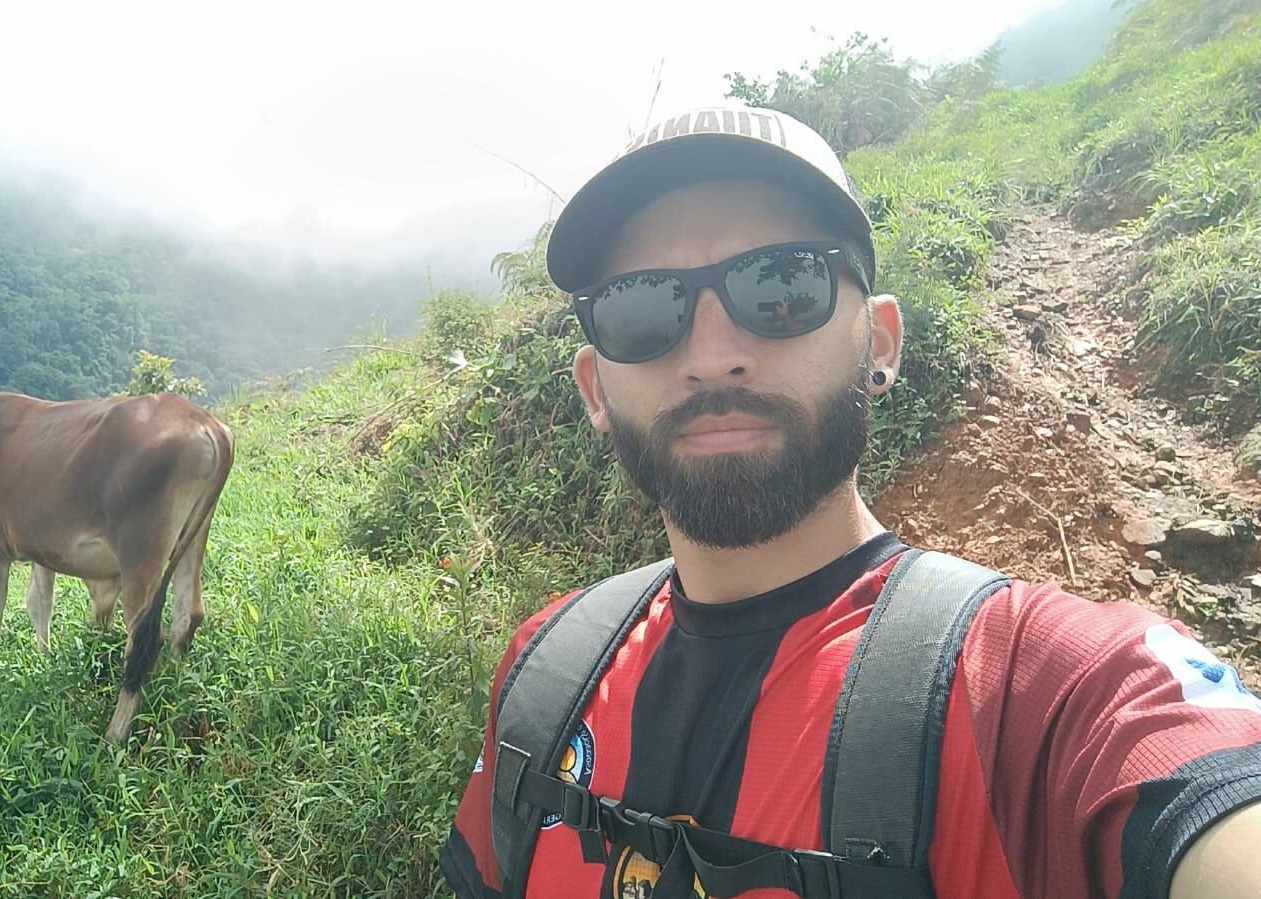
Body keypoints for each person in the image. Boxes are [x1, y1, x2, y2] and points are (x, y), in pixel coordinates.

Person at [439, 105, 1261, 899]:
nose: (714, 355)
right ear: (593, 387)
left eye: (780, 287)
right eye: (642, 308)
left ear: (879, 342)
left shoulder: (1044, 689)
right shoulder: (544, 670)